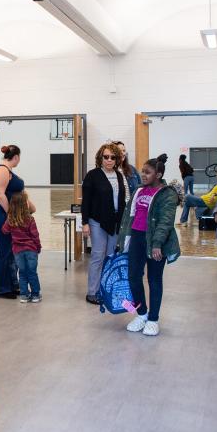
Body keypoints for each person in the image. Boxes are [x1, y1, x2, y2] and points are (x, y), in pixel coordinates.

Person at [124, 155, 181, 336]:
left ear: (158, 174)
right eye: (142, 171)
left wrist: (157, 244)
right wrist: (123, 240)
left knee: (154, 280)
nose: (143, 175)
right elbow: (129, 217)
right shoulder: (139, 190)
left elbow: (165, 222)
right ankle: (141, 314)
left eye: (147, 172)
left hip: (156, 241)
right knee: (133, 277)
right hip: (137, 238)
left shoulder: (167, 194)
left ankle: (153, 319)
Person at [81, 142, 127, 304]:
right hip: (97, 221)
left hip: (114, 222)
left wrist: (123, 222)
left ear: (117, 159)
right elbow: (85, 201)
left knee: (110, 257)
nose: (109, 160)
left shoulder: (119, 176)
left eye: (112, 157)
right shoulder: (93, 175)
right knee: (97, 256)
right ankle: (92, 292)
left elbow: (122, 201)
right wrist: (85, 222)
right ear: (100, 158)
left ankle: (106, 289)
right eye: (105, 157)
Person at [0, 145, 26, 298]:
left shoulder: (7, 170)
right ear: (16, 157)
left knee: (10, 252)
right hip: (2, 214)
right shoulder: (3, 170)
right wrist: (10, 214)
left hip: (7, 215)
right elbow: (0, 193)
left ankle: (11, 285)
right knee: (4, 252)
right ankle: (1, 288)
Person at [2, 191, 42, 303]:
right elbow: (35, 235)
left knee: (22, 273)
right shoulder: (30, 219)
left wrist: (8, 219)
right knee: (32, 272)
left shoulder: (11, 220)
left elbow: (4, 231)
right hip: (31, 250)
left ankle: (24, 295)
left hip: (17, 251)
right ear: (25, 205)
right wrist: (38, 247)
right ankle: (35, 295)